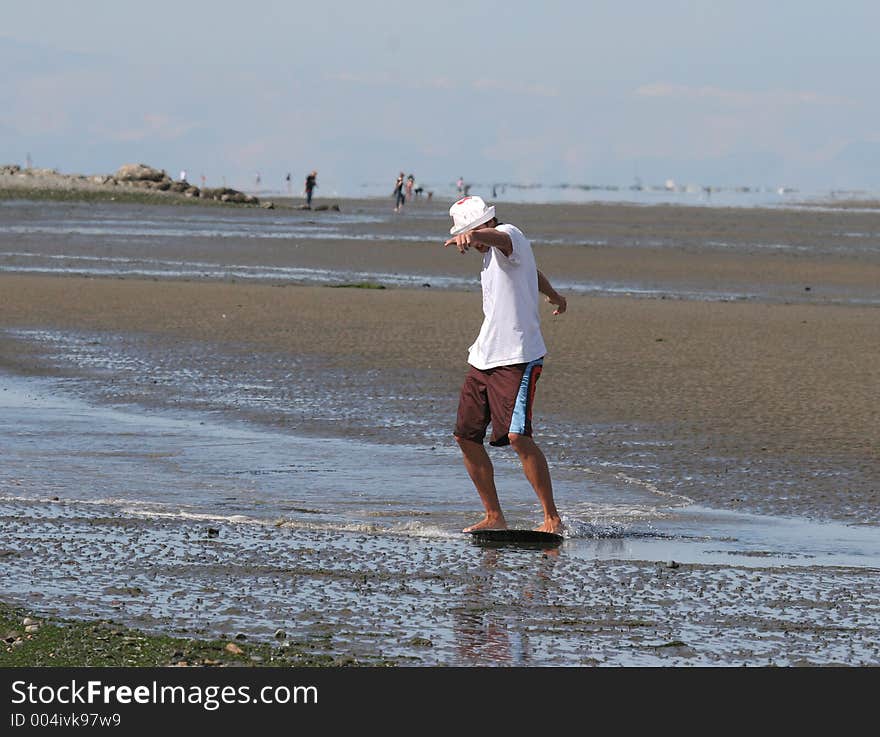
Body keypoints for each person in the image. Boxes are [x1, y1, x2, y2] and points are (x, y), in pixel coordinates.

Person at [444, 195, 567, 534]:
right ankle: (494, 516)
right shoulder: (495, 258)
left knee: (516, 436)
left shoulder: (509, 234)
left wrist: (477, 236)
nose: (473, 242)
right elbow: (532, 272)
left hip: (518, 357)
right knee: (465, 436)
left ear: (484, 224)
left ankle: (552, 519)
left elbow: (501, 239)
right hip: (482, 356)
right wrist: (554, 295)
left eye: (471, 232)